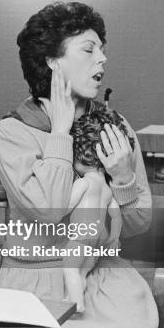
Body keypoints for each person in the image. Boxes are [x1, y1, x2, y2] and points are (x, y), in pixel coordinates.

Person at [0, 2, 164, 328]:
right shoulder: (10, 132)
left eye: (102, 48)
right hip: (33, 284)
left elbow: (138, 224)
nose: (102, 59)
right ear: (53, 62)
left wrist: (122, 179)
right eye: (88, 49)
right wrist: (60, 133)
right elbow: (49, 210)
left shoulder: (116, 128)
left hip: (104, 279)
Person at [63, 106, 135, 313]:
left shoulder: (84, 183)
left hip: (81, 235)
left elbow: (65, 207)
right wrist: (113, 240)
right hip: (98, 238)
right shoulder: (106, 189)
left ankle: (75, 305)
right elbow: (115, 215)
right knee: (82, 273)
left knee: (70, 270)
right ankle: (75, 296)